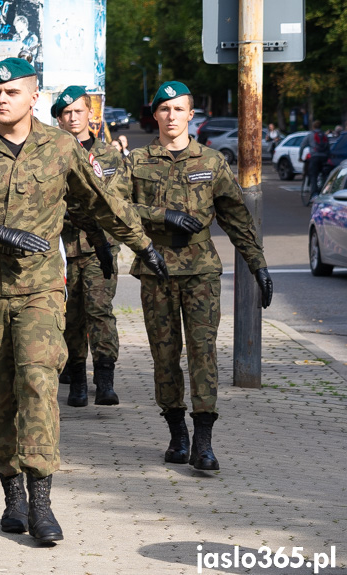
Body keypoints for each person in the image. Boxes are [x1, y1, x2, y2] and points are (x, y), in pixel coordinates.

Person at [0, 58, 167, 544]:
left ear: (35, 96)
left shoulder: (60, 147)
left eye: (11, 92)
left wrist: (143, 244)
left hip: (39, 289)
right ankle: (11, 493)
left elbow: (104, 201)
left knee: (38, 380)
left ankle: (42, 501)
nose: (0, 99)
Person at [114, 81, 273, 471]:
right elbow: (114, 205)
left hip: (201, 270)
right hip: (157, 270)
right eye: (164, 109)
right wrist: (160, 215)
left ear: (190, 115)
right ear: (155, 115)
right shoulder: (137, 161)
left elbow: (236, 216)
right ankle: (176, 433)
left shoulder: (211, 162)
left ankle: (204, 440)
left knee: (203, 353)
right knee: (165, 356)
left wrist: (258, 263)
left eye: (178, 109)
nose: (171, 116)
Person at [51, 86, 124, 407]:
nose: (72, 117)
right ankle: (78, 379)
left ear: (89, 114)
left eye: (78, 111)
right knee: (71, 316)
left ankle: (105, 379)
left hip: (101, 250)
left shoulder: (109, 156)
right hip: (64, 249)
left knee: (100, 312)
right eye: (66, 113)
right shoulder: (52, 156)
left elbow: (117, 200)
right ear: (59, 119)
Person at [300, 120, 330, 199]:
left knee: (313, 175)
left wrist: (300, 157)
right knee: (325, 175)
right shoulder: (324, 135)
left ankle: (314, 194)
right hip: (324, 157)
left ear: (313, 127)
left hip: (315, 157)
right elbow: (328, 147)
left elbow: (302, 146)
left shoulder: (310, 135)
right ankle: (324, 191)